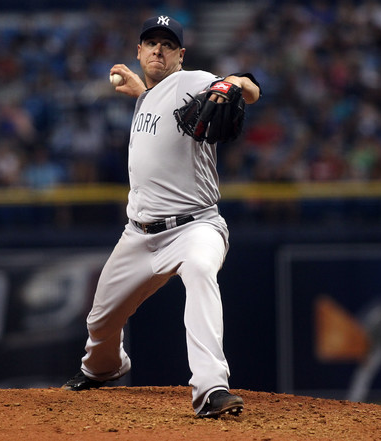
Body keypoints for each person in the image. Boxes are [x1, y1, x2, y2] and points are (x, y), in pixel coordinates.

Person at [61, 15, 261, 418]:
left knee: (201, 272)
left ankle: (211, 388)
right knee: (100, 321)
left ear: (180, 55)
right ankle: (103, 367)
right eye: (151, 43)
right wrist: (141, 91)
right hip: (138, 236)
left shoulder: (192, 81)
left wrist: (233, 84)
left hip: (195, 227)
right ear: (139, 52)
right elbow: (158, 101)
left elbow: (249, 88)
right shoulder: (148, 96)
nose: (159, 49)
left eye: (167, 45)